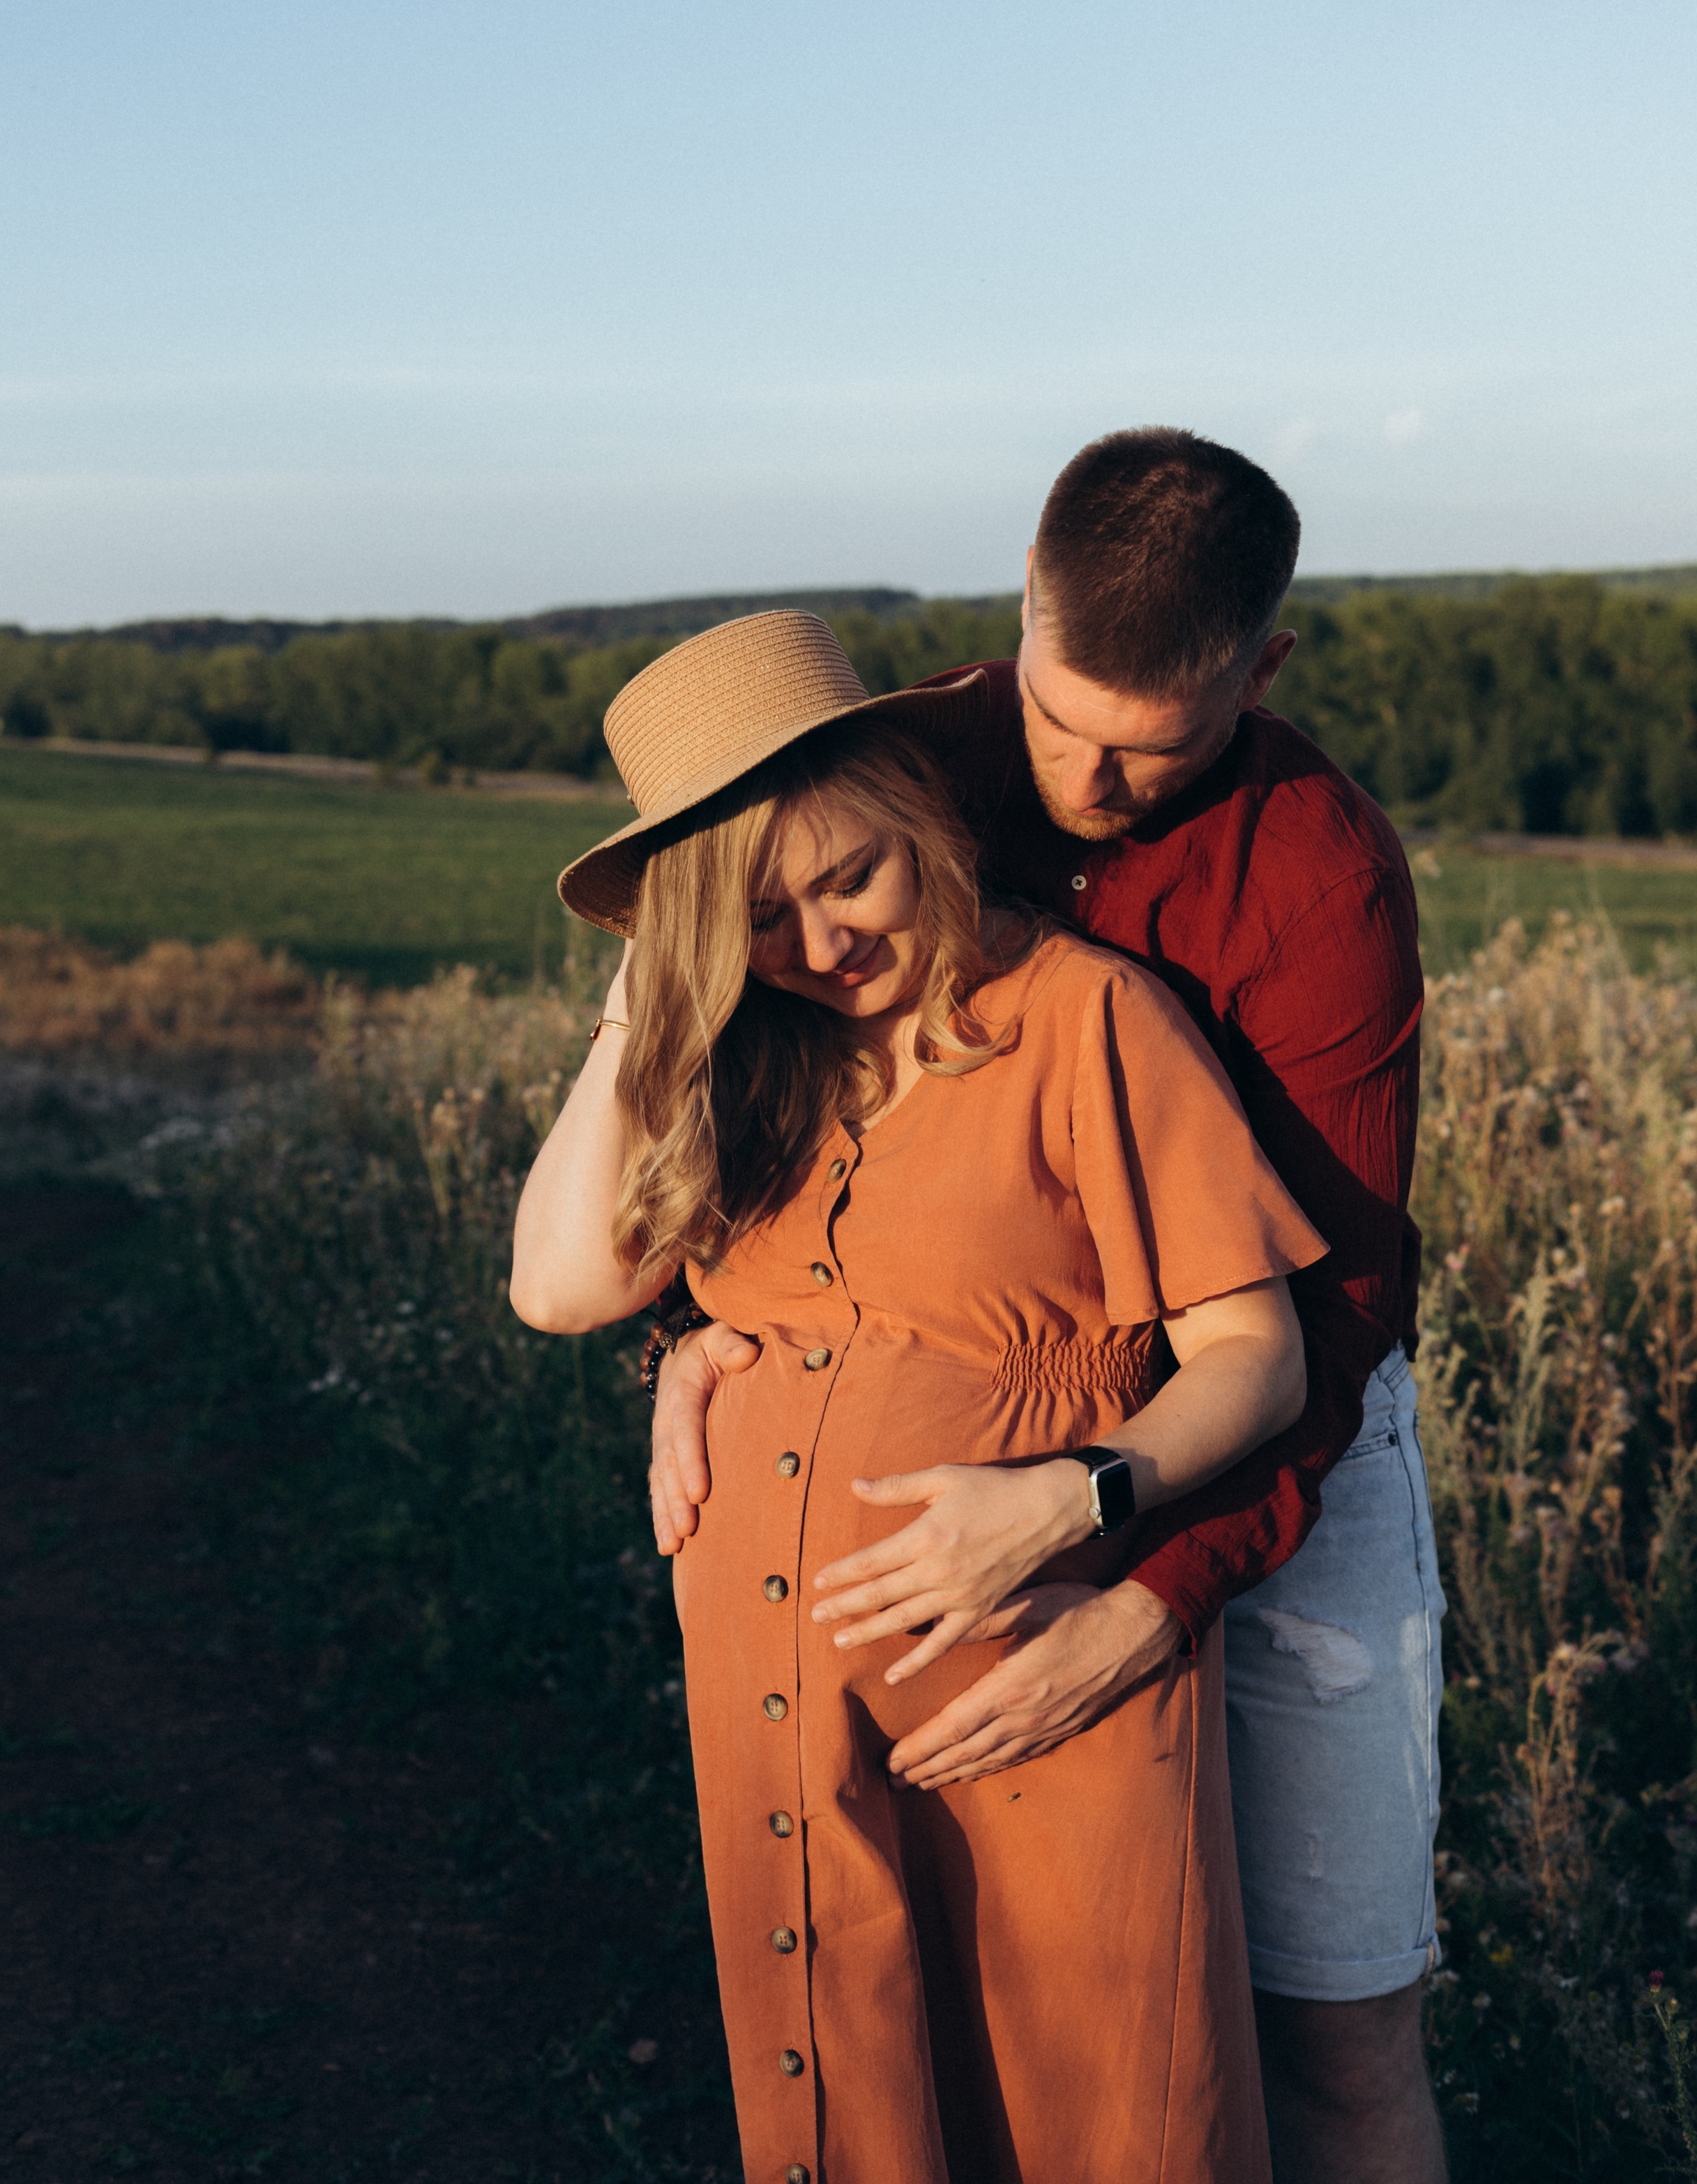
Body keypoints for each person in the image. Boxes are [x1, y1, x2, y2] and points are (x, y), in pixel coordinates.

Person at [649, 431, 1449, 2184]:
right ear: (1022, 601)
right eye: (1061, 718)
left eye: (1153, 748)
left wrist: (1148, 1591)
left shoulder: (1321, 879)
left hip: (1280, 1451)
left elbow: (1330, 1317)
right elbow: (752, 1085)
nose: (1089, 780)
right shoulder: (896, 770)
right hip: (1012, 1467)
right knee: (988, 2018)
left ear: (1261, 669)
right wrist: (697, 1344)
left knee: (1333, 2030)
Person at [511, 607, 1332, 2184]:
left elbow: (1257, 1354)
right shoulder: (757, 1060)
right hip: (786, 1726)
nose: (822, 944)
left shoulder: (1085, 1018)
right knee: (858, 2111)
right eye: (760, 917)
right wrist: (649, 994)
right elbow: (558, 1288)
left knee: (1104, 2117)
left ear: (918, 819)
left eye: (850, 878)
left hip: (1035, 1690)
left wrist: (1070, 1494)